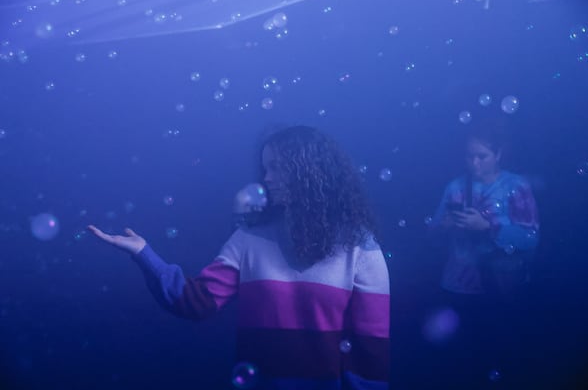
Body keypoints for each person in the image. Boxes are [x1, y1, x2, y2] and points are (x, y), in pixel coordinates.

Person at [88, 125, 390, 390]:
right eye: (265, 169)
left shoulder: (359, 245)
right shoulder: (249, 239)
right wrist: (143, 253)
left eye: (277, 167)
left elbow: (371, 346)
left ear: (308, 170)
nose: (267, 178)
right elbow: (198, 302)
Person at [428, 121, 540, 388]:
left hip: (499, 287)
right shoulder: (455, 186)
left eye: (482, 156)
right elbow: (431, 233)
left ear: (499, 154)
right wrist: (443, 226)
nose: (474, 163)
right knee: (460, 364)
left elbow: (531, 237)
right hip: (457, 286)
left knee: (497, 358)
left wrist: (489, 226)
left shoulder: (516, 186)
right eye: (470, 156)